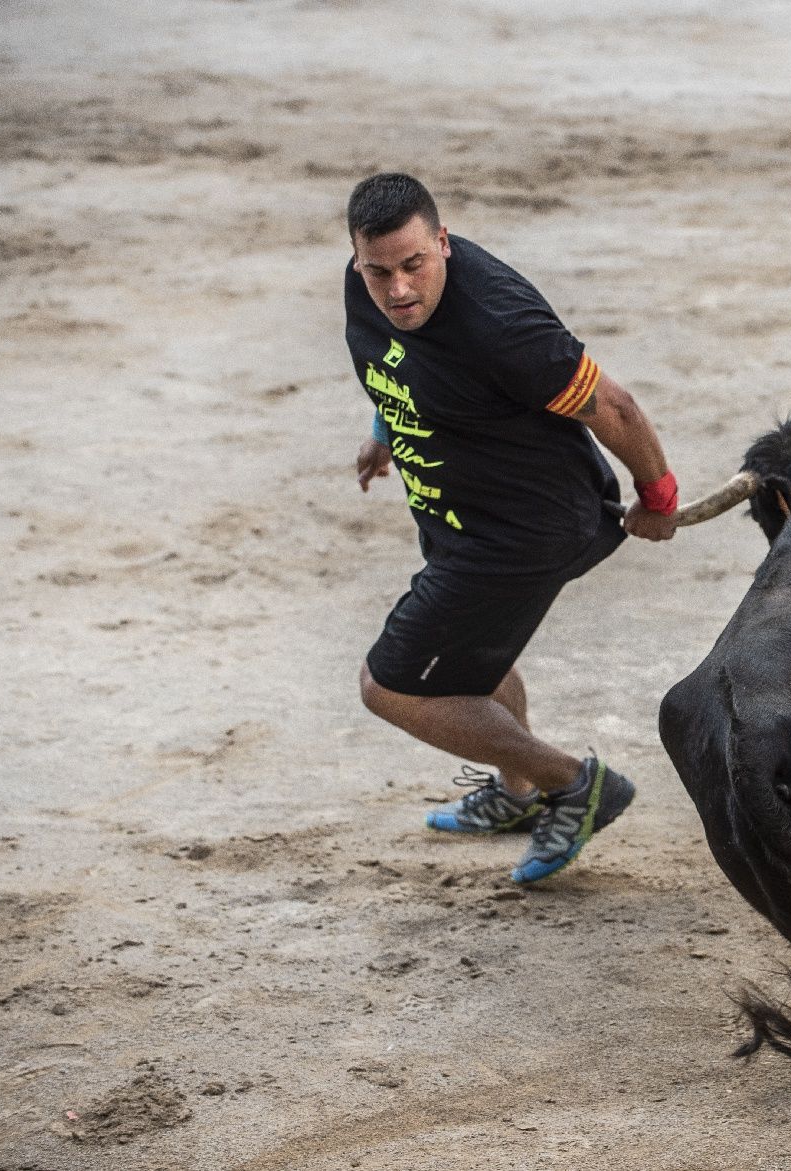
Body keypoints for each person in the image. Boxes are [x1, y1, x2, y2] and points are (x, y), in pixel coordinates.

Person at [342, 172, 678, 884]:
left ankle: (576, 783)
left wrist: (659, 493)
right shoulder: (365, 289)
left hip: (526, 527)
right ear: (355, 258)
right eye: (378, 271)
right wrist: (383, 429)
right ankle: (520, 793)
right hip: (459, 511)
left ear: (443, 242)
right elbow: (391, 362)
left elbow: (613, 407)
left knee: (391, 684)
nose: (398, 289)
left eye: (413, 266)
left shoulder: (502, 323)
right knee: (475, 661)